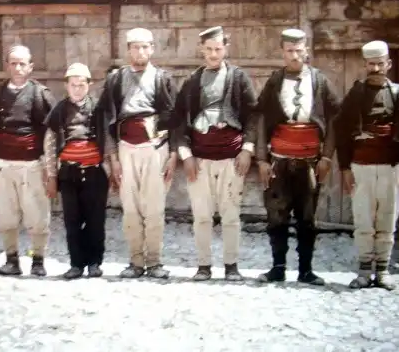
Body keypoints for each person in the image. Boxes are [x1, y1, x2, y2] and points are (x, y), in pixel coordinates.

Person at [255, 28, 340, 286]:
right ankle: (278, 268)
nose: (294, 56)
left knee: (307, 217)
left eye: (298, 50)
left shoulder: (319, 81)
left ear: (306, 50)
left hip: (310, 162)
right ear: (282, 52)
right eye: (289, 51)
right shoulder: (274, 81)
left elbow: (335, 118)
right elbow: (260, 117)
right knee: (276, 216)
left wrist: (327, 157)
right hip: (279, 160)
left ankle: (306, 270)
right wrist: (262, 159)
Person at [173, 26, 258, 281]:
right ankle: (203, 266)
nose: (213, 54)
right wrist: (186, 155)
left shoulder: (238, 78)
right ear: (201, 49)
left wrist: (247, 150)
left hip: (231, 158)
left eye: (218, 49)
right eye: (208, 49)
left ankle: (231, 265)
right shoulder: (192, 81)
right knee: (201, 215)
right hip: (200, 159)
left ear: (226, 48)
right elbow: (178, 120)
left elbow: (253, 116)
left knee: (231, 214)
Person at [335, 40, 399, 291]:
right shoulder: (355, 95)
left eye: (381, 63)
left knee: (387, 219)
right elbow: (341, 131)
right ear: (365, 65)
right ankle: (363, 271)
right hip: (361, 166)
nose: (376, 69)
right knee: (363, 220)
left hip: (391, 167)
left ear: (388, 64)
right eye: (371, 64)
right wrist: (345, 168)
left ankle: (382, 271)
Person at [100, 27, 178, 279]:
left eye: (145, 46)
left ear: (152, 49)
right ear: (128, 50)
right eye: (136, 47)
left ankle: (154, 262)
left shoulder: (162, 78)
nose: (141, 51)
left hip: (155, 148)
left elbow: (175, 118)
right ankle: (135, 261)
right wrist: (113, 157)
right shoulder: (116, 79)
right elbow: (106, 119)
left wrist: (173, 154)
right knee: (130, 207)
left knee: (154, 207)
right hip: (126, 148)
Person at [0, 45, 56, 277]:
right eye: (13, 63)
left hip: (33, 166)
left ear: (30, 67)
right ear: (7, 66)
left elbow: (54, 133)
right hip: (3, 165)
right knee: (6, 216)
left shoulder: (40, 94)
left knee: (37, 215)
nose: (18, 68)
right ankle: (11, 260)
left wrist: (50, 170)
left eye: (22, 63)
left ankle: (37, 260)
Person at [43, 63, 111, 279]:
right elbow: (50, 143)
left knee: (95, 221)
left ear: (89, 85)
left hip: (94, 172)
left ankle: (94, 263)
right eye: (73, 85)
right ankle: (76, 264)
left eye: (82, 84)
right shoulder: (59, 110)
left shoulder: (98, 109)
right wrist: (51, 175)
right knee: (72, 221)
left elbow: (108, 140)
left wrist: (112, 168)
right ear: (67, 86)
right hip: (69, 174)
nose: (77, 89)